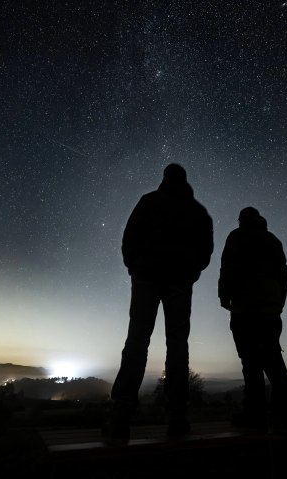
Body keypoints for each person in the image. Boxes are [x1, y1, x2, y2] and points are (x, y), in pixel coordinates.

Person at [104, 163, 214, 440]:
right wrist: (191, 273)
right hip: (179, 282)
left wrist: (135, 266)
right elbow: (205, 251)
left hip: (147, 278)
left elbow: (129, 237)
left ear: (164, 179)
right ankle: (178, 416)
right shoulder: (198, 211)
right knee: (177, 345)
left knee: (137, 341)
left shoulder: (149, 201)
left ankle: (121, 416)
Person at [219, 207, 287, 433]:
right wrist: (280, 300)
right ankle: (284, 413)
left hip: (245, 306)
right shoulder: (273, 240)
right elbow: (284, 274)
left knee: (250, 361)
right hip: (270, 307)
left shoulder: (237, 236)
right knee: (272, 357)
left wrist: (224, 295)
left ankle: (255, 413)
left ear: (241, 220)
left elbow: (228, 267)